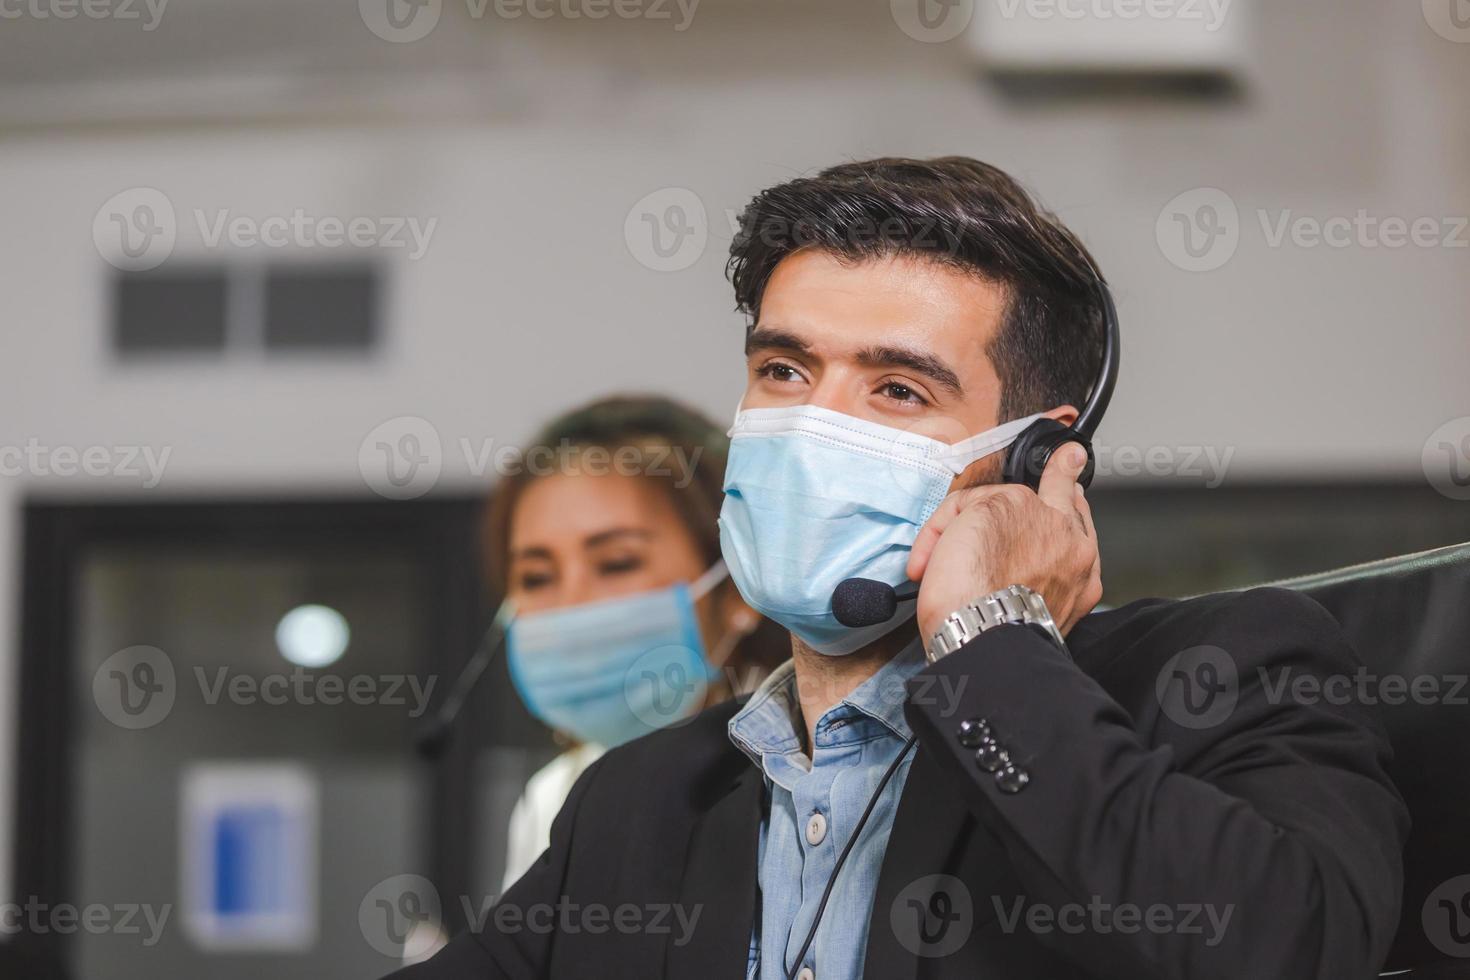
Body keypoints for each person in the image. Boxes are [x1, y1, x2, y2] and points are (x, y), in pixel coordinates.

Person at [387, 158, 1407, 979]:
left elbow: (1286, 945)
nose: (813, 422)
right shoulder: (643, 796)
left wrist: (989, 644)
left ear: (1035, 458)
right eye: (784, 370)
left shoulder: (1212, 677)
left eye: (898, 390)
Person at [484, 395, 787, 889]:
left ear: (736, 588)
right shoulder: (553, 798)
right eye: (537, 577)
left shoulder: (804, 780)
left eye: (617, 564)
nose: (571, 604)